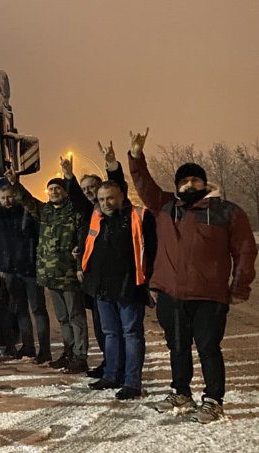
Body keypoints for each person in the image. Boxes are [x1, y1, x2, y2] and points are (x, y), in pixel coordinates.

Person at [127, 128, 257, 423]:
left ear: (204, 181)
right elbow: (143, 184)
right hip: (171, 295)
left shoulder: (226, 212)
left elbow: (246, 251)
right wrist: (135, 156)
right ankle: (181, 392)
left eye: (194, 179)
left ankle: (213, 400)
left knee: (209, 348)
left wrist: (239, 287)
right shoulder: (166, 208)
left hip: (209, 296)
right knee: (178, 346)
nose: (188, 185)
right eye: (183, 181)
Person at [77, 180, 157, 400]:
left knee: (131, 334)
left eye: (110, 198)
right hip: (102, 288)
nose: (106, 203)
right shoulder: (96, 219)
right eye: (102, 199)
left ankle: (132, 382)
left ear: (122, 196)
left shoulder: (139, 217)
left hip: (129, 287)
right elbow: (86, 247)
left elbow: (152, 251)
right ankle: (111, 375)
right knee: (110, 334)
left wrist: (152, 283)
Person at [7, 166, 89, 374]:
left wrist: (79, 265)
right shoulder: (45, 211)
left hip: (69, 274)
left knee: (76, 317)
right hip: (50, 275)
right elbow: (27, 200)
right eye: (51, 189)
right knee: (62, 318)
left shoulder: (74, 211)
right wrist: (15, 184)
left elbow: (82, 239)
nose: (54, 192)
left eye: (58, 188)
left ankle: (80, 356)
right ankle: (68, 352)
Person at [62, 142, 128, 379]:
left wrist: (112, 166)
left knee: (120, 329)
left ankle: (121, 369)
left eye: (92, 187)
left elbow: (119, 188)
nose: (89, 192)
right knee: (102, 328)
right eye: (85, 188)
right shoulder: (88, 212)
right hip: (93, 278)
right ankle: (110, 363)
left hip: (117, 278)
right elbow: (78, 200)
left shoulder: (113, 208)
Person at [0, 184, 51, 364]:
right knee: (20, 310)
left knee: (38, 310)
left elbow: (32, 205)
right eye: (3, 198)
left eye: (9, 197)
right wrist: (1, 266)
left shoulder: (27, 213)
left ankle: (45, 350)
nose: (7, 201)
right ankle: (28, 346)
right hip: (10, 271)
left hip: (30, 269)